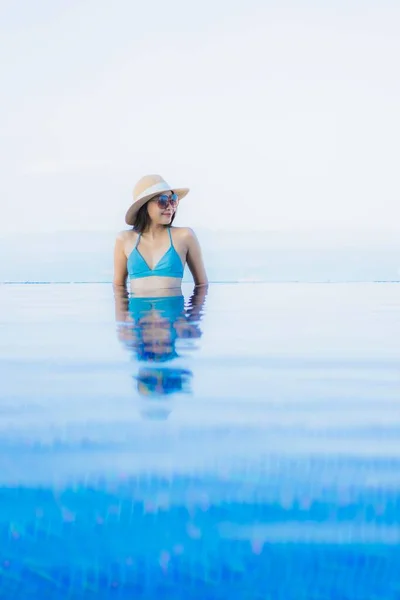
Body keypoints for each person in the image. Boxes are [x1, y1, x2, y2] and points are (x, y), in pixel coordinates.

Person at [113, 174, 208, 293]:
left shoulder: (185, 236)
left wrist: (193, 312)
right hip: (137, 312)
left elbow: (202, 285)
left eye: (172, 200)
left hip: (174, 312)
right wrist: (122, 312)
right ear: (144, 205)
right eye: (163, 201)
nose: (170, 207)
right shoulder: (124, 239)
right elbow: (119, 287)